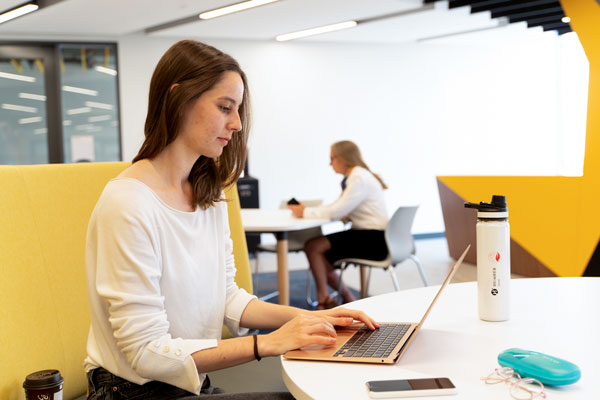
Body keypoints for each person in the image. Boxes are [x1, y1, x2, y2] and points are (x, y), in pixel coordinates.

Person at [84, 40, 378, 399]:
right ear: (178, 99)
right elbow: (146, 352)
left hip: (190, 382)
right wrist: (266, 344)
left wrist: (306, 319)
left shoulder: (209, 194)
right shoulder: (128, 203)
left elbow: (225, 298)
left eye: (237, 110)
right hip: (133, 390)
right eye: (225, 107)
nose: (237, 124)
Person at [288, 141, 389, 310]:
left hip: (372, 238)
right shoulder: (359, 176)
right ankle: (343, 298)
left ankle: (324, 298)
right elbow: (339, 209)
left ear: (343, 158)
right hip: (372, 234)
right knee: (320, 258)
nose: (330, 163)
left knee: (313, 247)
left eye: (332, 158)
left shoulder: (357, 177)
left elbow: (335, 212)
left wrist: (304, 212)